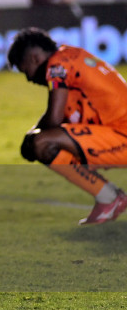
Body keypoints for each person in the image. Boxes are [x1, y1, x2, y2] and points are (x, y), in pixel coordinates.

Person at [8, 27, 127, 225]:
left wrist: (31, 136)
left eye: (24, 70)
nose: (29, 79)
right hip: (116, 132)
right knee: (45, 141)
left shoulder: (57, 66)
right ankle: (109, 198)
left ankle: (110, 198)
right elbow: (62, 118)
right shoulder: (71, 58)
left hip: (122, 135)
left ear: (34, 57)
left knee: (42, 144)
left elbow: (54, 119)